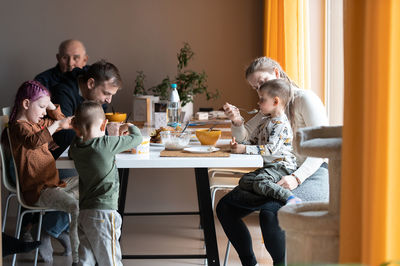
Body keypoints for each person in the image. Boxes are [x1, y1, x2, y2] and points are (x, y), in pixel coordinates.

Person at [217, 56, 329, 266]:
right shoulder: (270, 105)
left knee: (271, 214)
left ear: (277, 73)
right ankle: (250, 263)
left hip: (312, 173)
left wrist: (296, 177)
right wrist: (236, 121)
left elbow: (321, 149)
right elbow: (244, 136)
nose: (260, 88)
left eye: (262, 81)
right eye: (255, 87)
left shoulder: (304, 99)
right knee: (225, 207)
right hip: (279, 172)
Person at [8, 80, 79, 265]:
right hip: (38, 190)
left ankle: (52, 228)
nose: (43, 112)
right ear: (25, 104)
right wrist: (56, 125)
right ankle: (79, 257)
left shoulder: (37, 123)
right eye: (40, 107)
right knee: (75, 206)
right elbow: (34, 141)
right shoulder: (18, 127)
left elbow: (59, 120)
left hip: (54, 184)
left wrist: (49, 105)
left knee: (92, 184)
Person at [69, 101, 142, 265]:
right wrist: (128, 125)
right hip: (104, 212)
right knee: (110, 259)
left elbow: (74, 149)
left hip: (84, 213)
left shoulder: (76, 148)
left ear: (76, 128)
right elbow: (136, 138)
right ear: (104, 125)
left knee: (85, 259)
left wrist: (78, 132)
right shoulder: (106, 144)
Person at [231, 79, 301, 205]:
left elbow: (270, 149)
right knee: (245, 181)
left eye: (262, 99)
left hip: (282, 166)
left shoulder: (281, 124)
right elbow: (253, 142)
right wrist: (240, 146)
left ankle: (289, 198)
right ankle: (269, 189)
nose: (258, 102)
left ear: (275, 101)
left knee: (260, 182)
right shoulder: (264, 121)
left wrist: (244, 149)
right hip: (269, 166)